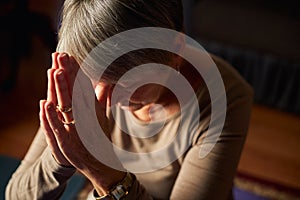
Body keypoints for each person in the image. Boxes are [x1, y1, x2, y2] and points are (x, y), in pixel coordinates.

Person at [6, 0, 253, 199]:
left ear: (174, 49)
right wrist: (62, 154)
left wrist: (102, 172)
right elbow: (16, 195)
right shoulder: (81, 78)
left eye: (125, 82)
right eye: (92, 77)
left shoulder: (226, 98)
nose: (105, 101)